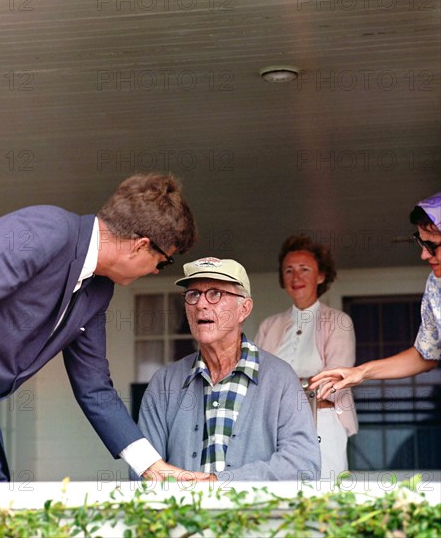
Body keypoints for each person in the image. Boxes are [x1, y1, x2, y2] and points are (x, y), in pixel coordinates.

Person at [0, 173, 212, 483]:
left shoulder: (99, 290)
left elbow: (94, 387)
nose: (157, 271)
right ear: (140, 245)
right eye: (163, 261)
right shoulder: (41, 229)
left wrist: (152, 466)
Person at [134, 257, 321, 481]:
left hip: (255, 516)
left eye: (215, 293)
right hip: (180, 515)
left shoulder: (280, 378)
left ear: (244, 308)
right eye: (193, 294)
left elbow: (303, 465)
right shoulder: (164, 383)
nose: (201, 304)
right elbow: (143, 470)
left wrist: (217, 483)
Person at [310, 192, 440, 397]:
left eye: (432, 245)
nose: (424, 254)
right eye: (421, 243)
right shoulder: (436, 285)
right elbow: (427, 355)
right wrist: (361, 372)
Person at [254, 235, 358, 480]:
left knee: (326, 492)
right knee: (279, 490)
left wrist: (280, 387)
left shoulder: (339, 322)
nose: (296, 277)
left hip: (324, 420)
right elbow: (254, 378)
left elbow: (333, 381)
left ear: (321, 276)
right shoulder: (269, 325)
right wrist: (304, 384)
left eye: (304, 269)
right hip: (274, 424)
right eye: (288, 271)